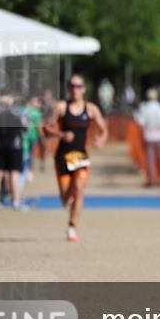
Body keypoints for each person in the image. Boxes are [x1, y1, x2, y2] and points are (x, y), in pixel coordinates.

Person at [44, 75, 108, 242]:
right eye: (72, 86)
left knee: (79, 188)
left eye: (79, 86)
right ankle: (68, 197)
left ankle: (72, 227)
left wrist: (100, 139)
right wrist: (61, 134)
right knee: (65, 197)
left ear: (84, 89)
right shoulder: (61, 107)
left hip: (80, 156)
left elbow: (103, 128)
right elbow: (46, 128)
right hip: (62, 157)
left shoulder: (91, 109)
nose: (75, 89)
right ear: (68, 88)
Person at [0, 94, 28, 211]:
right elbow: (25, 128)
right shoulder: (17, 113)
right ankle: (15, 202)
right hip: (14, 146)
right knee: (14, 173)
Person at [135, 87, 160, 187]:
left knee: (150, 159)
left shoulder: (145, 108)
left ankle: (152, 180)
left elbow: (140, 123)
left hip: (149, 136)